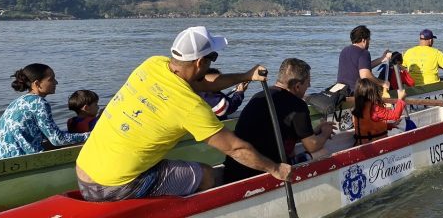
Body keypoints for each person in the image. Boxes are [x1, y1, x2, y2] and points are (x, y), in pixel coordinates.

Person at [75, 26, 291, 202]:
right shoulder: (191, 107)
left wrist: (245, 76)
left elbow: (202, 83)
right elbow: (236, 148)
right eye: (212, 58)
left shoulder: (152, 64)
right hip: (113, 186)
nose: (211, 64)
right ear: (200, 62)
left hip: (84, 168)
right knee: (206, 174)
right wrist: (275, 169)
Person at [223, 58, 335, 183]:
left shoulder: (259, 96)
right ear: (297, 86)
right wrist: (325, 132)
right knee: (322, 152)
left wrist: (314, 131)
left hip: (234, 170)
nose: (309, 86)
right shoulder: (297, 105)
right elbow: (312, 146)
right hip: (264, 172)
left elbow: (276, 132)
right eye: (307, 82)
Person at [0, 64, 89, 160]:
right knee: (82, 142)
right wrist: (90, 135)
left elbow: (49, 135)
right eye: (51, 79)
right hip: (18, 159)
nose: (56, 82)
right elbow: (57, 139)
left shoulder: (19, 101)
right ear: (37, 84)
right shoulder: (39, 103)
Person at [336, 25, 391, 94]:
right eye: (369, 39)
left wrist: (382, 59)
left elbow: (363, 66)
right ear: (363, 40)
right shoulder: (363, 52)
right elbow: (365, 75)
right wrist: (382, 83)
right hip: (355, 92)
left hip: (341, 91)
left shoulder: (344, 50)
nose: (369, 42)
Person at [352, 77, 406, 145]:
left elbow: (369, 126)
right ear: (373, 94)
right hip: (376, 146)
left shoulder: (356, 109)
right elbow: (395, 115)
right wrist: (400, 99)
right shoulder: (375, 109)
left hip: (360, 144)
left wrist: (390, 125)